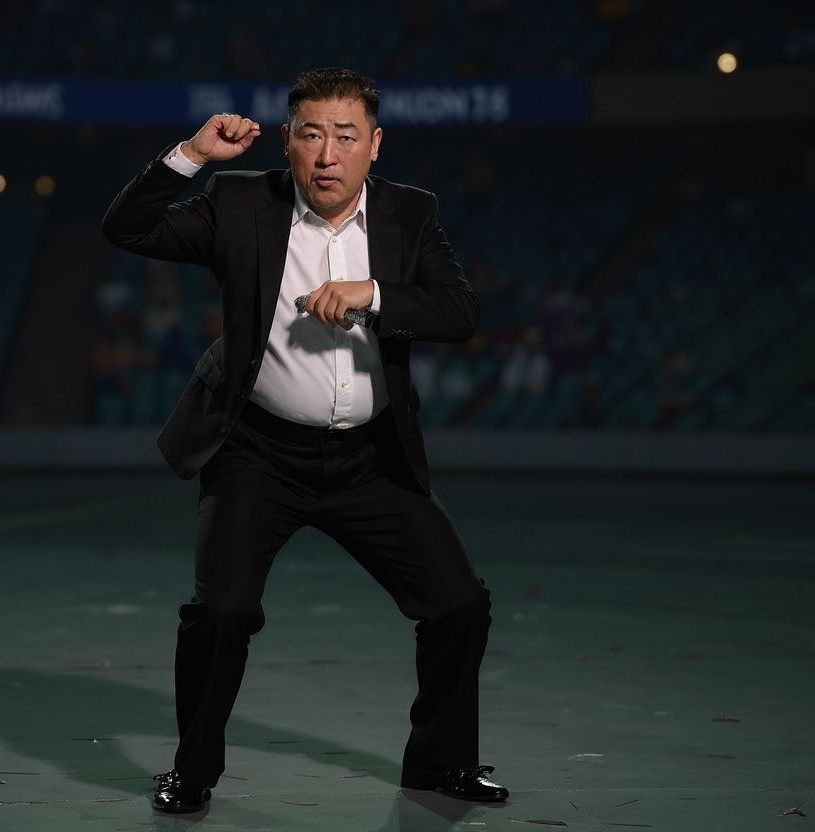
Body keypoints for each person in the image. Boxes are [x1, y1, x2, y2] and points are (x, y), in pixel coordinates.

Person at [102, 68, 504, 815]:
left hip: (369, 460)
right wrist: (191, 155)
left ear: (374, 147)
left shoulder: (408, 217)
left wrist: (374, 296)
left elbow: (460, 311)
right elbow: (127, 228)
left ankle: (441, 762)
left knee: (458, 603)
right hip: (257, 454)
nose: (328, 154)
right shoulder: (239, 203)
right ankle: (191, 773)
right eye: (312, 135)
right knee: (219, 613)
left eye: (346, 136)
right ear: (288, 143)